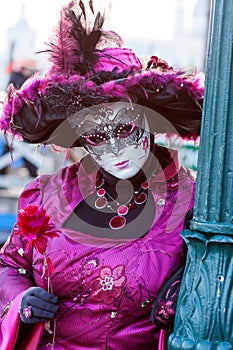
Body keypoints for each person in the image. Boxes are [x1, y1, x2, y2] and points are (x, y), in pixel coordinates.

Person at [0, 1, 204, 349]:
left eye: (125, 128)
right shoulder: (47, 195)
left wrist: (186, 298)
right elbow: (10, 264)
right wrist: (22, 299)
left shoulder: (190, 204)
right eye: (97, 136)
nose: (114, 149)